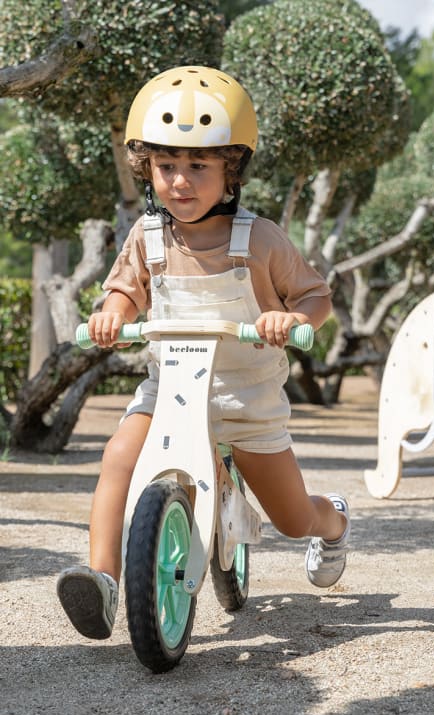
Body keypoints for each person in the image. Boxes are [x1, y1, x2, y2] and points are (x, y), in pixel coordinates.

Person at [56, 66, 350, 640]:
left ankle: (333, 519)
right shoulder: (148, 237)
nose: (180, 181)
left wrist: (291, 319)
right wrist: (113, 310)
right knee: (119, 456)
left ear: (231, 171)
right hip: (170, 390)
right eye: (166, 166)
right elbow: (123, 288)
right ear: (147, 170)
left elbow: (316, 295)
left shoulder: (258, 238)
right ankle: (103, 580)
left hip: (247, 398)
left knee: (291, 519)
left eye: (199, 166)